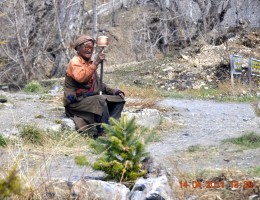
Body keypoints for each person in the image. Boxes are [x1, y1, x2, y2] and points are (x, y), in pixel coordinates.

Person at [63, 34, 125, 138]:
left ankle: (112, 127)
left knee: (118, 99)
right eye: (86, 47)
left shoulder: (89, 63)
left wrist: (113, 91)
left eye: (91, 48)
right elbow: (81, 78)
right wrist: (96, 63)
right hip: (76, 102)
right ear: (78, 48)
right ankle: (103, 134)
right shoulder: (75, 62)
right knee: (100, 100)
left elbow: (98, 84)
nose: (89, 50)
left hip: (89, 100)